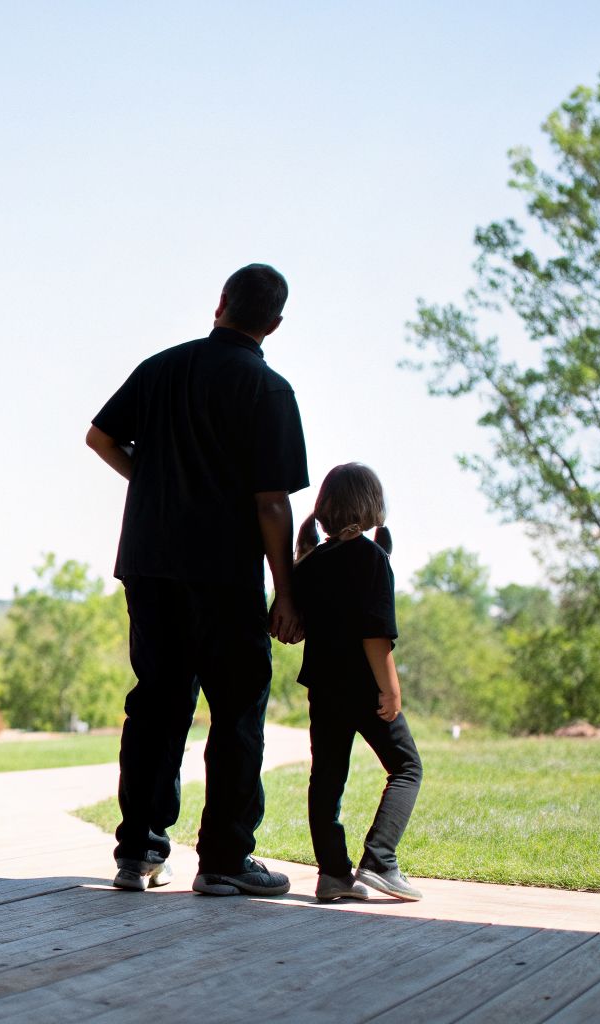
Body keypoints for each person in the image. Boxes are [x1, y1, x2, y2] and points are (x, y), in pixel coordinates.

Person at [86, 263, 308, 896]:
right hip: (221, 573)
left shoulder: (161, 368)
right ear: (275, 323)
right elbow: (272, 503)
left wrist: (153, 483)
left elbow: (100, 437)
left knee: (156, 704)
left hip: (149, 565)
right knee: (237, 711)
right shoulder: (267, 390)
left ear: (220, 304)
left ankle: (138, 853)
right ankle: (224, 861)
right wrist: (286, 592)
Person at [291, 463, 423, 901]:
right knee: (406, 768)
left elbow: (297, 626)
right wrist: (390, 688)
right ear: (372, 507)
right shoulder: (371, 558)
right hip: (364, 687)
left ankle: (332, 874)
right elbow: (375, 633)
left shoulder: (312, 563)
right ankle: (380, 860)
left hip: (324, 688)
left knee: (326, 778)